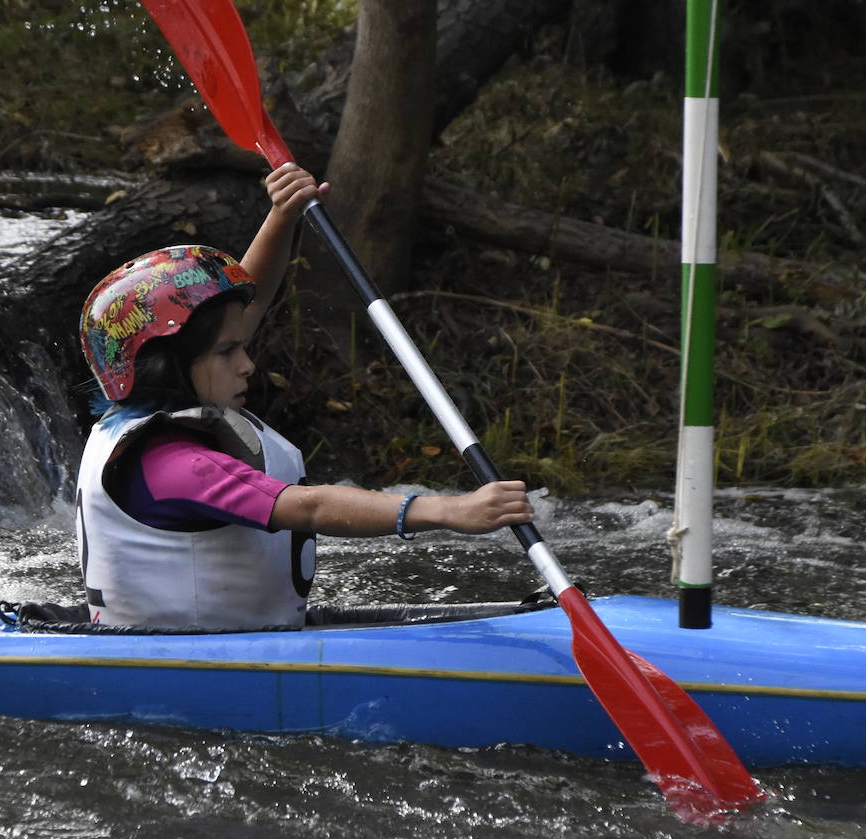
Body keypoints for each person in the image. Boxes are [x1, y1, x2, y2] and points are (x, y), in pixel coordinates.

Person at [75, 163, 533, 630]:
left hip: (231, 638)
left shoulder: (146, 407)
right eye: (229, 351)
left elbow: (240, 312)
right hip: (189, 660)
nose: (248, 363)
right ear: (165, 366)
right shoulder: (175, 466)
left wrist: (282, 214)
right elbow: (310, 506)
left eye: (242, 346)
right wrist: (449, 509)